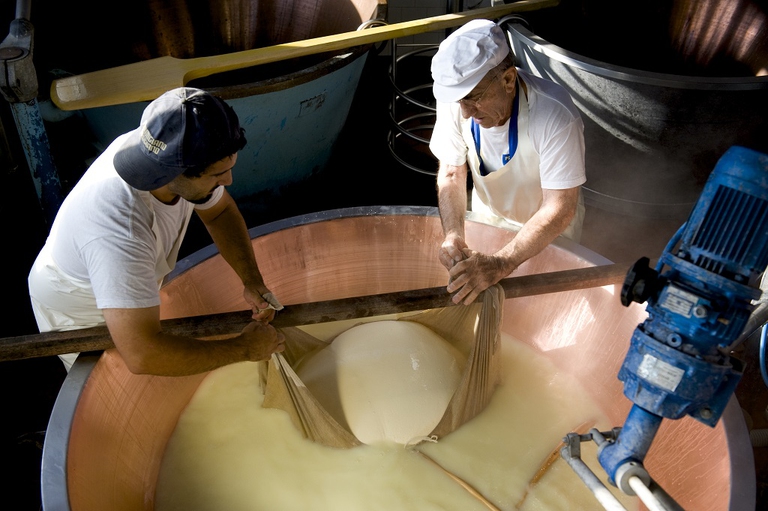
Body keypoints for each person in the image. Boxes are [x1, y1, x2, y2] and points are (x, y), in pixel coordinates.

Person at [28, 87, 285, 376]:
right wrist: (245, 349)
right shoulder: (120, 230)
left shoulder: (167, 146)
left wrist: (251, 279)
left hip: (119, 271)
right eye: (217, 175)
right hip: (80, 308)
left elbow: (220, 212)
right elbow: (143, 355)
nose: (229, 180)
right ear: (172, 173)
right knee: (116, 378)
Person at [429, 19, 587, 306]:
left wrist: (502, 262)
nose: (464, 113)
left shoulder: (554, 115)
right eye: (460, 101)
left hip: (549, 233)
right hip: (489, 219)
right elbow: (452, 173)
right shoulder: (457, 100)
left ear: (508, 79)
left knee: (541, 311)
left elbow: (560, 206)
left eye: (474, 99)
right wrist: (453, 234)